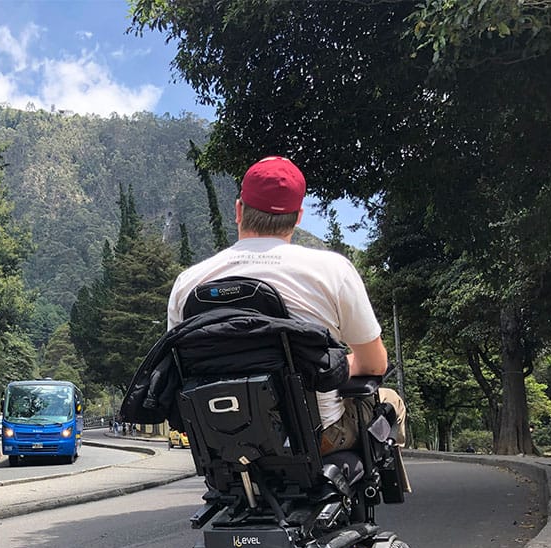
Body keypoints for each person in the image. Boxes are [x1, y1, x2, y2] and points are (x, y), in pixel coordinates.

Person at [166, 156, 405, 455]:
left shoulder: (188, 283)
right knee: (391, 401)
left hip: (223, 441)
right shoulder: (332, 270)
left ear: (239, 209)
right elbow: (374, 364)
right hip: (317, 439)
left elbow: (182, 370)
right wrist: (339, 363)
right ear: (299, 216)